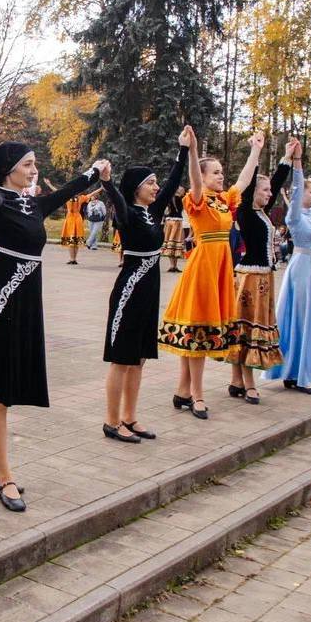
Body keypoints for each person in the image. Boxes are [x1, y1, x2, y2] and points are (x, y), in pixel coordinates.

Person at [0, 141, 105, 512]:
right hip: (0, 303)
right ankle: (4, 476)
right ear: (9, 167)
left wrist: (95, 171)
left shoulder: (35, 204)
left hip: (27, 305)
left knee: (1, 392)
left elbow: (68, 191)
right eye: (26, 164)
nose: (33, 169)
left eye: (34, 164)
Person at [159, 131, 264, 419]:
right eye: (215, 172)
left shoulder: (223, 200)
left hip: (219, 269)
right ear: (204, 177)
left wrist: (255, 150)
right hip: (203, 268)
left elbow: (243, 181)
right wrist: (192, 151)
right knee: (197, 328)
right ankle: (197, 395)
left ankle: (183, 390)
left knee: (199, 331)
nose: (221, 176)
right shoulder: (199, 199)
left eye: (221, 172)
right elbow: (193, 178)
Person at [100, 126, 191, 443]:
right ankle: (112, 421)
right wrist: (107, 182)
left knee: (138, 358)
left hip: (149, 293)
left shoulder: (153, 213)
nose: (156, 187)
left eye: (154, 182)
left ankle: (130, 417)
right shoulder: (126, 214)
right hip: (129, 291)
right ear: (135, 188)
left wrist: (183, 149)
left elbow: (171, 184)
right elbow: (115, 198)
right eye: (149, 183)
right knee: (121, 358)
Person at [264, 143, 311, 394]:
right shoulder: (294, 216)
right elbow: (297, 191)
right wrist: (297, 164)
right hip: (300, 269)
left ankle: (301, 371)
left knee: (310, 319)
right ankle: (294, 374)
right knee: (299, 318)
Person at [225, 140, 293, 404]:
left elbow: (274, 182)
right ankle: (248, 383)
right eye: (263, 190)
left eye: (269, 191)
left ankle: (236, 380)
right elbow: (252, 180)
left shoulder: (261, 211)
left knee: (245, 329)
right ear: (253, 191)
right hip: (250, 280)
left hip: (263, 278)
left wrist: (286, 157)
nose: (268, 194)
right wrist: (256, 150)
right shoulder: (244, 211)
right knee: (247, 329)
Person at [59, 190, 92, 264]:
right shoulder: (80, 198)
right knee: (75, 240)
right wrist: (101, 188)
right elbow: (90, 194)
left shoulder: (69, 197)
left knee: (72, 239)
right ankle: (73, 259)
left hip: (72, 219)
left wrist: (49, 184)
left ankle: (72, 259)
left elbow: (58, 192)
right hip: (76, 219)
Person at [161, 186, 186, 272]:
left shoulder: (169, 198)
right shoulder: (179, 199)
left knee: (170, 242)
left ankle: (172, 265)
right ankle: (174, 265)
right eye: (182, 190)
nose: (184, 192)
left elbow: (166, 211)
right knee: (176, 242)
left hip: (169, 221)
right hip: (177, 222)